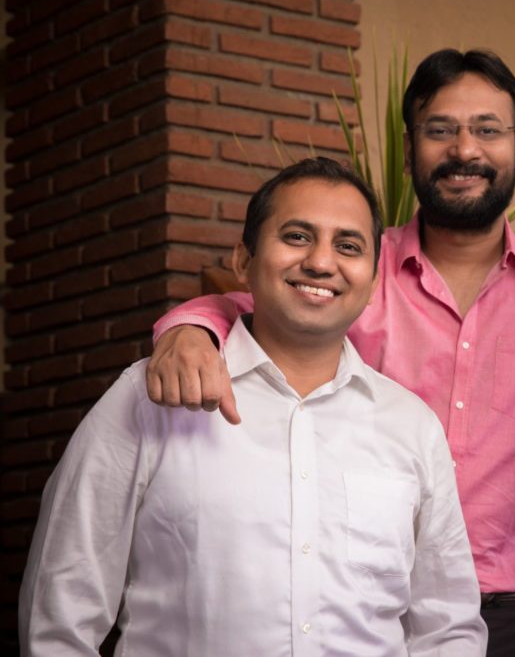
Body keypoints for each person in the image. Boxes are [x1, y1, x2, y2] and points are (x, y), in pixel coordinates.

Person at [144, 49, 515, 657]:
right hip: (353, 607)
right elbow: (252, 305)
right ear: (410, 149)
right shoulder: (352, 266)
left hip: (508, 616)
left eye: (488, 130)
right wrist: (188, 329)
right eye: (440, 130)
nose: (465, 150)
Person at [19, 158, 487, 655]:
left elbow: (447, 626)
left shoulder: (411, 427)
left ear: (373, 283)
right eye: (297, 236)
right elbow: (60, 612)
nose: (321, 262)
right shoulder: (150, 397)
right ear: (243, 261)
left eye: (348, 246)